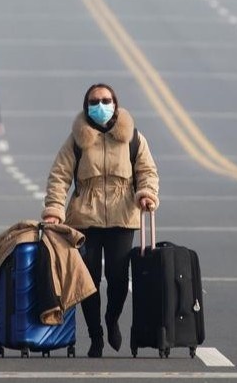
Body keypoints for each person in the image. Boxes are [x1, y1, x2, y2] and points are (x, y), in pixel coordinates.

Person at [41, 83, 159, 358]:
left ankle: (112, 319)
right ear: (86, 105)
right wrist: (54, 208)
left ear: (115, 104)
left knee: (117, 279)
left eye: (106, 100)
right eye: (95, 101)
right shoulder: (76, 140)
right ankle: (96, 336)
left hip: (122, 218)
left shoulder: (132, 138)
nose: (101, 105)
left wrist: (147, 194)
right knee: (88, 281)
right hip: (85, 219)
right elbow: (59, 176)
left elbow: (147, 171)